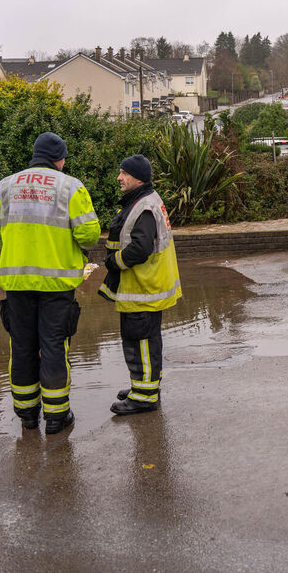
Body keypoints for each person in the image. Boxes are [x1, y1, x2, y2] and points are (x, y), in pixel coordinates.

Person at [0, 132, 101, 435]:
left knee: (21, 347)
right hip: (57, 286)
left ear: (34, 155)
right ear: (59, 159)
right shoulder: (71, 187)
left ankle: (27, 415)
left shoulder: (5, 186)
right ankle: (57, 417)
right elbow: (88, 235)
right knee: (53, 347)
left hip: (17, 283)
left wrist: (14, 246)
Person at [98, 154, 182, 415]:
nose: (119, 178)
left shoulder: (144, 206)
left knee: (140, 343)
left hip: (143, 289)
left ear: (138, 178)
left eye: (124, 173)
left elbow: (140, 249)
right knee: (144, 342)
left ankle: (144, 398)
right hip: (145, 288)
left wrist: (114, 263)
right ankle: (144, 387)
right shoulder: (145, 201)